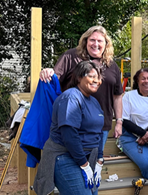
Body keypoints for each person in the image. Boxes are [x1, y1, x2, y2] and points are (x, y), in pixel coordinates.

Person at [39, 26, 123, 149]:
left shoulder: (112, 65)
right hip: (73, 123)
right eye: (92, 40)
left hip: (101, 124)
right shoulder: (71, 56)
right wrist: (47, 71)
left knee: (94, 161)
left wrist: (119, 122)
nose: (96, 44)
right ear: (85, 41)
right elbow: (53, 79)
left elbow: (117, 96)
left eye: (100, 41)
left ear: (106, 44)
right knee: (73, 161)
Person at [33, 61, 104, 195]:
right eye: (92, 76)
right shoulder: (70, 98)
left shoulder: (93, 101)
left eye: (99, 78)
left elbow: (98, 132)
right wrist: (84, 164)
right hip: (65, 156)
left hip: (87, 157)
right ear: (79, 77)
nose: (97, 81)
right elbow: (69, 135)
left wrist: (99, 160)